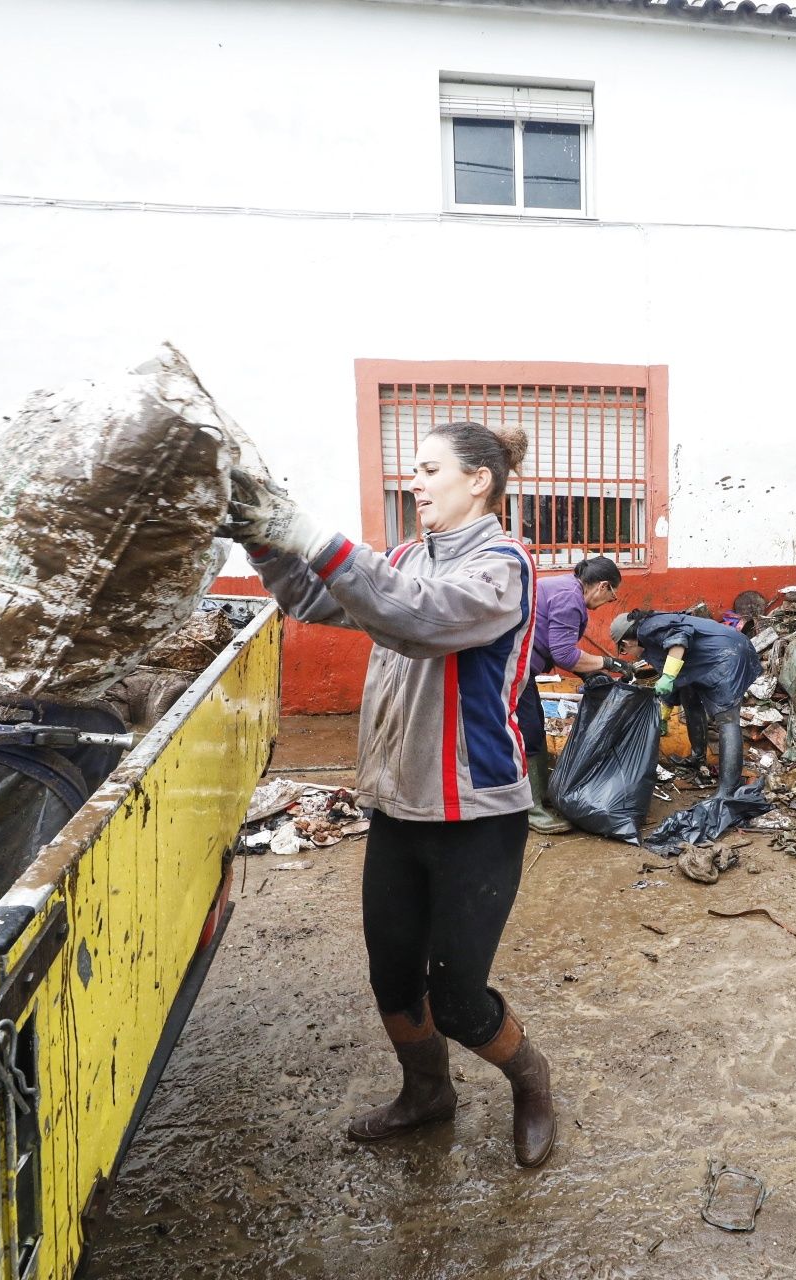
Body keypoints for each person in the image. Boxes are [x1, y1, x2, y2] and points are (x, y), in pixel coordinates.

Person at [225, 421, 555, 1168]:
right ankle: (427, 1094)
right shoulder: (403, 558)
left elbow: (416, 616)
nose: (415, 480)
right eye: (414, 467)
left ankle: (531, 1079)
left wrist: (312, 529)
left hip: (477, 817)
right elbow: (320, 599)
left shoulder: (504, 567)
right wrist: (265, 538)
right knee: (393, 973)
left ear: (480, 480)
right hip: (399, 809)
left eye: (430, 467)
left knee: (461, 999)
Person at [520, 555, 628, 833]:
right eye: (611, 596)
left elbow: (557, 646)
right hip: (510, 667)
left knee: (535, 725)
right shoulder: (570, 599)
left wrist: (588, 673)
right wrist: (608, 663)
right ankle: (531, 810)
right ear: (603, 586)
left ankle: (542, 794)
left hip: (519, 665)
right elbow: (565, 654)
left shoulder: (565, 586)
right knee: (529, 730)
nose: (607, 602)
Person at [610, 608, 760, 799]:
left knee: (727, 718)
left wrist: (668, 676)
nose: (627, 654)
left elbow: (679, 638)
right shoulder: (652, 643)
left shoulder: (647, 628)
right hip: (711, 659)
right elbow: (675, 681)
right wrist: (663, 714)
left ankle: (728, 788)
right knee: (689, 697)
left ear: (626, 642)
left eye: (623, 650)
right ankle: (697, 758)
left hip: (728, 656)